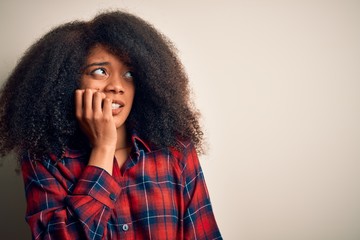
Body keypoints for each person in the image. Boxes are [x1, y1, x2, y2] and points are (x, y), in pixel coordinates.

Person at [0, 11, 222, 239]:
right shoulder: (44, 158)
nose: (117, 86)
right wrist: (103, 149)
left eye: (129, 74)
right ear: (65, 81)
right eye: (100, 71)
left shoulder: (175, 150)